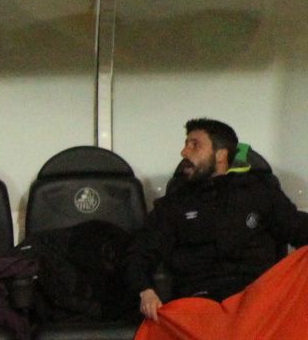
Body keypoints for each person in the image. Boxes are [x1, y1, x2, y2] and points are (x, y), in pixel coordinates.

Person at [126, 118, 308, 321]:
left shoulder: (259, 193)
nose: (184, 152)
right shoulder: (174, 204)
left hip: (256, 303)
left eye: (195, 145)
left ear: (221, 154)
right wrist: (145, 290)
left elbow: (298, 228)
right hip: (199, 304)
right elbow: (141, 252)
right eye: (186, 144)